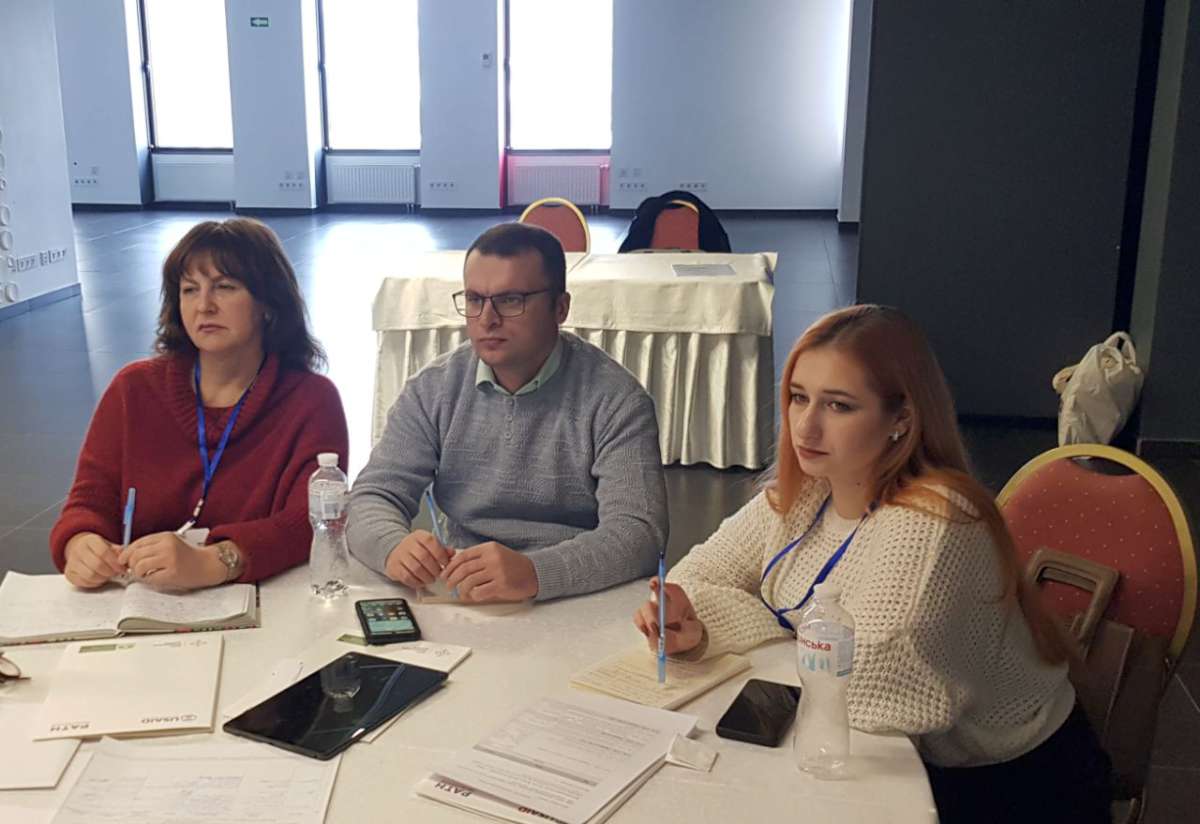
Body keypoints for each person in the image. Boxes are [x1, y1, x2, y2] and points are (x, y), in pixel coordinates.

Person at [633, 305, 1111, 823]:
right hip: (897, 755)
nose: (806, 426)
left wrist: (738, 623)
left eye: (839, 406)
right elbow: (690, 579)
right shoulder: (807, 492)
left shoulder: (937, 518)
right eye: (798, 397)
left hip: (1011, 782)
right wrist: (698, 624)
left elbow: (868, 685)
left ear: (901, 419)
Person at [348, 222, 668, 603]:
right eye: (474, 300)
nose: (487, 319)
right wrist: (392, 546)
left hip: (575, 595)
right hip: (463, 589)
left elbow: (639, 533)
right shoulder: (433, 389)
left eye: (511, 300)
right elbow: (371, 496)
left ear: (560, 308)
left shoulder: (616, 399)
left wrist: (535, 572)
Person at [50, 218, 348, 590]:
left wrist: (218, 561)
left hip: (262, 599)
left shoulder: (311, 400)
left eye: (224, 287)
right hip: (139, 597)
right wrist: (80, 542)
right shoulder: (133, 389)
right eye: (190, 290)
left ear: (268, 304)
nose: (204, 306)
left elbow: (310, 522)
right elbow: (88, 500)